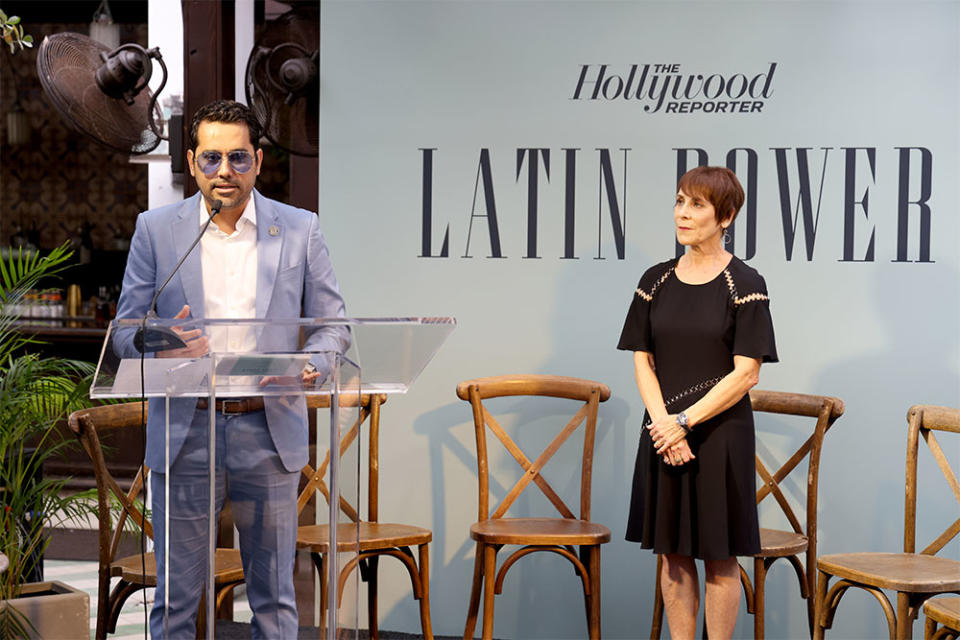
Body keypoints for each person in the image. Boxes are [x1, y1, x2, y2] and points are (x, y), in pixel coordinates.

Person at [115, 99, 349, 638]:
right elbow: (126, 332)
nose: (226, 172)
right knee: (175, 602)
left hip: (267, 431)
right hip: (186, 430)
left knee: (274, 601)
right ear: (193, 161)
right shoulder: (157, 231)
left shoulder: (299, 229)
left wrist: (312, 365)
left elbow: (334, 328)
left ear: (259, 162)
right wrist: (162, 344)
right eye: (213, 158)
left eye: (239, 158)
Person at [617, 166, 777, 639]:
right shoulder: (655, 279)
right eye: (680, 201)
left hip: (718, 434)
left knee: (720, 556)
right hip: (663, 432)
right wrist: (665, 426)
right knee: (672, 552)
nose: (683, 213)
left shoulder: (745, 282)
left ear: (725, 216)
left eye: (697, 205)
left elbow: (746, 371)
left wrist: (683, 422)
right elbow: (642, 361)